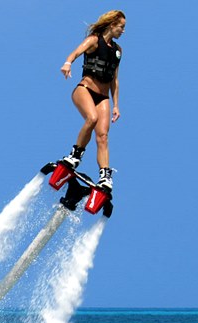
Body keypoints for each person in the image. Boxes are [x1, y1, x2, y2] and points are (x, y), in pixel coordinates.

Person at [60, 10, 126, 191]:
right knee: (92, 118)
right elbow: (75, 53)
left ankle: (105, 176)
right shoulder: (94, 40)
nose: (123, 31)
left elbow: (115, 80)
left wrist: (117, 105)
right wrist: (67, 63)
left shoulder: (118, 51)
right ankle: (75, 155)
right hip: (85, 90)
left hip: (103, 97)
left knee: (103, 136)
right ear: (112, 25)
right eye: (121, 27)